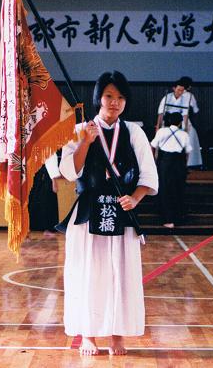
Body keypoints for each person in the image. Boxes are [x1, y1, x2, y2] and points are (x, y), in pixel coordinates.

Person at [59, 71, 158, 356]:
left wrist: (135, 199)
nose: (114, 103)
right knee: (88, 272)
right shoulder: (81, 130)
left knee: (120, 274)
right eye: (109, 96)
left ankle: (117, 336)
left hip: (120, 211)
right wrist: (87, 142)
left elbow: (148, 175)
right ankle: (88, 335)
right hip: (89, 212)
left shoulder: (134, 132)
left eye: (120, 97)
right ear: (98, 99)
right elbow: (69, 171)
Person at [151, 112, 192, 228]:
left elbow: (153, 146)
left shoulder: (161, 131)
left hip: (164, 162)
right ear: (180, 123)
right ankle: (176, 219)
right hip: (179, 163)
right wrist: (185, 165)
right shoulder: (184, 134)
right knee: (178, 189)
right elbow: (188, 152)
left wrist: (154, 160)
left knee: (164, 189)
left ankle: (166, 219)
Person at [156, 76, 202, 168]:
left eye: (182, 90)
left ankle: (188, 164)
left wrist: (185, 129)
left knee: (190, 134)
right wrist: (158, 126)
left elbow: (185, 115)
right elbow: (161, 113)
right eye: (179, 90)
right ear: (174, 88)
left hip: (180, 121)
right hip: (168, 121)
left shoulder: (186, 98)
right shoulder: (167, 97)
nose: (181, 92)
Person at [27, 153, 60, 240]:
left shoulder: (47, 142)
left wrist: (54, 180)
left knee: (47, 201)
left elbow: (51, 157)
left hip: (45, 173)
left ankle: (48, 229)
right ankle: (26, 229)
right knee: (30, 201)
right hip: (31, 171)